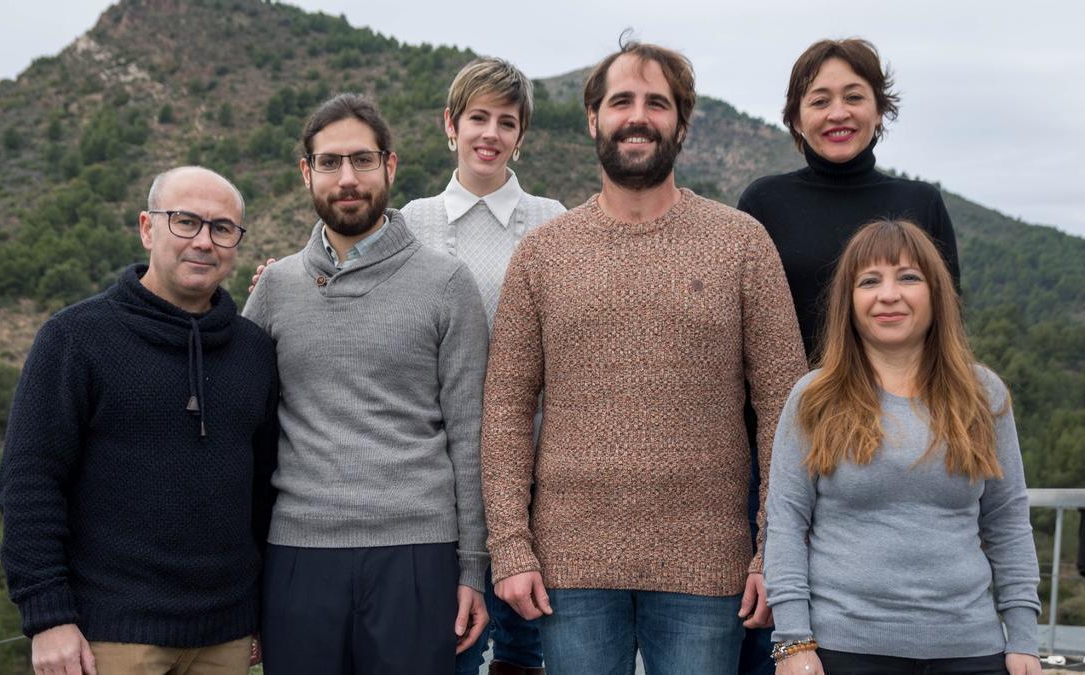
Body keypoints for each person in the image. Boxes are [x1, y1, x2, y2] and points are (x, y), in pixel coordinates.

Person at [481, 38, 807, 675]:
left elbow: (786, 410)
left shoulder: (741, 243)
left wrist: (773, 551)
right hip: (569, 563)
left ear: (681, 123)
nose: (638, 116)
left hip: (706, 563)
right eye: (621, 101)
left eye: (656, 103)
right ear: (593, 119)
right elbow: (506, 408)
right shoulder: (543, 254)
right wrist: (511, 547)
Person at [242, 93, 490, 675]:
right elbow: (241, 426)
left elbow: (471, 435)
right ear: (307, 173)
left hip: (417, 554)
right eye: (329, 162)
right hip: (297, 553)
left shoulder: (447, 284)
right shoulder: (276, 287)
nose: (347, 178)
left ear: (390, 166)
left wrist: (474, 568)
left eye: (362, 160)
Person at [735, 38, 961, 673]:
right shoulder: (763, 203)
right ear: (796, 116)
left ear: (879, 109)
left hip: (897, 446)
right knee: (773, 627)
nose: (838, 113)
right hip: (779, 447)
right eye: (820, 99)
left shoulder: (921, 205)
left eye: (854, 96)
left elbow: (946, 328)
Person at [0, 166, 280, 675]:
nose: (203, 241)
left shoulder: (254, 351)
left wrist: (258, 608)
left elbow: (263, 490)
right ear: (148, 228)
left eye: (222, 228)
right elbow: (29, 482)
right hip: (108, 637)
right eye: (186, 222)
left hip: (226, 638)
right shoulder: (74, 339)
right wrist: (47, 617)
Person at [763, 219, 1042, 675]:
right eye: (869, 281)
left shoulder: (983, 394)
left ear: (935, 294)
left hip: (971, 651)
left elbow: (1008, 522)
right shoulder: (815, 397)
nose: (888, 295)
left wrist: (1024, 640)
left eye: (907, 277)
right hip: (842, 652)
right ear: (849, 302)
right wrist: (792, 644)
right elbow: (787, 523)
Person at [401, 56, 563, 675]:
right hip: (442, 470)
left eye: (506, 121)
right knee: (453, 642)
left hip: (536, 468)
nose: (489, 133)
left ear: (521, 135)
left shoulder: (554, 220)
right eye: (477, 117)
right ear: (451, 124)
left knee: (529, 646)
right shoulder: (410, 221)